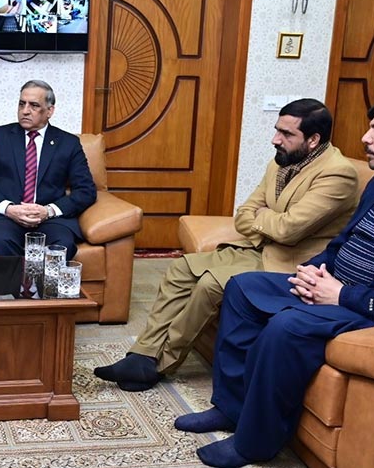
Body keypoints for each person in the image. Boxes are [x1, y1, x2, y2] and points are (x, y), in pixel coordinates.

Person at [174, 96, 374, 468]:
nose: (365, 137)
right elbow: (343, 244)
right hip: (338, 287)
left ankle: (253, 444)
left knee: (287, 326)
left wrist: (343, 295)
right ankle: (231, 407)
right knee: (244, 287)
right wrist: (312, 270)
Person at [94, 99, 359, 390]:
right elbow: (245, 214)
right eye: (276, 130)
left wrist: (266, 219)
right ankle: (142, 354)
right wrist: (267, 220)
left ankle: (159, 364)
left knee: (210, 284)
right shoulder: (282, 160)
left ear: (313, 140)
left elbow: (289, 231)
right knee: (181, 269)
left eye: (286, 134)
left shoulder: (338, 174)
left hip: (289, 261)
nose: (275, 139)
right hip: (258, 246)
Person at [0, 80, 96, 259]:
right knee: (1, 239)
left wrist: (48, 211)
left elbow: (86, 191)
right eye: (22, 104)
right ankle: (16, 287)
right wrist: (9, 209)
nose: (25, 111)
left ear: (50, 111)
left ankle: (45, 287)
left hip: (50, 219)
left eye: (34, 105)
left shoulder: (68, 143)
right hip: (5, 217)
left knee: (63, 245)